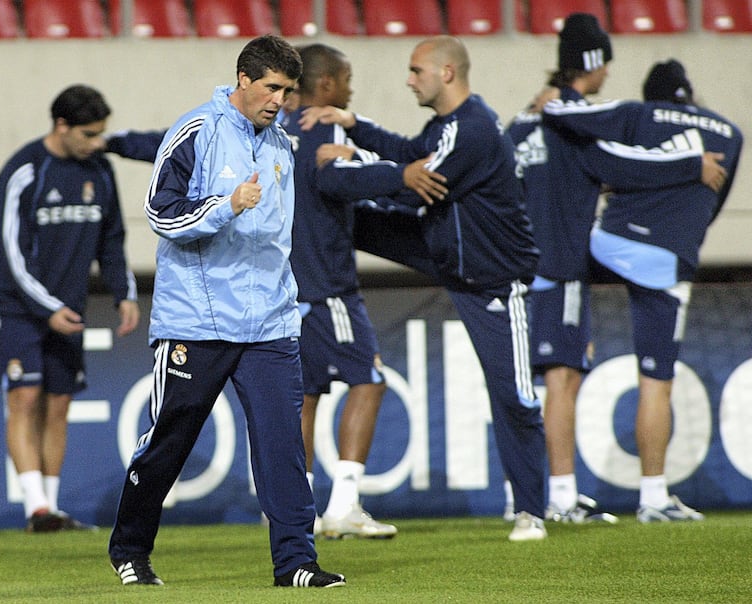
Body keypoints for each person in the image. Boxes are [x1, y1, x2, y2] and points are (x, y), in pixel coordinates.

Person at [107, 35, 346, 588]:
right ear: (243, 79)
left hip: (269, 324)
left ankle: (296, 564)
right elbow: (160, 215)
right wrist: (225, 205)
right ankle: (131, 550)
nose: (279, 101)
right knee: (169, 439)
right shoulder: (195, 131)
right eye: (271, 88)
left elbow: (280, 236)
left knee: (283, 444)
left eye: (288, 91)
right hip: (197, 319)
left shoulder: (282, 146)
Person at [300, 35, 549, 541]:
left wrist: (346, 160)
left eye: (416, 71)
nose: (409, 79)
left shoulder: (473, 129)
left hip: (495, 281)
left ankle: (532, 510)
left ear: (447, 74)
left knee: (515, 397)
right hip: (449, 261)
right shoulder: (445, 126)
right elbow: (412, 154)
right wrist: (355, 127)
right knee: (346, 211)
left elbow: (421, 175)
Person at [506, 13, 722, 524]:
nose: (608, 75)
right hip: (560, 265)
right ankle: (557, 498)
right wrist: (693, 165)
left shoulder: (521, 120)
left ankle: (535, 496)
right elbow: (622, 164)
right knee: (562, 380)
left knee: (529, 383)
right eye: (605, 63)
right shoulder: (575, 119)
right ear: (594, 62)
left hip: (521, 263)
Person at [542, 59, 742, 522]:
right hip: (665, 260)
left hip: (605, 241)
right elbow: (711, 205)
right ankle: (653, 498)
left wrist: (553, 102)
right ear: (690, 94)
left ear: (651, 94)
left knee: (561, 363)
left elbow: (576, 126)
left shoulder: (641, 115)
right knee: (656, 383)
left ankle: (557, 494)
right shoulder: (730, 133)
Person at [284, 43, 437, 539]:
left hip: (287, 290)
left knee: (305, 397)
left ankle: (297, 510)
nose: (350, 87)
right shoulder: (326, 124)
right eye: (346, 78)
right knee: (369, 383)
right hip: (329, 288)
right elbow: (336, 181)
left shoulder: (278, 131)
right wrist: (399, 175)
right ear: (326, 84)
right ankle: (344, 506)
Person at [0, 85, 141, 533]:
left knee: (58, 405)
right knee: (25, 398)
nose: (97, 143)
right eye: (89, 135)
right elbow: (11, 251)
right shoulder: (25, 170)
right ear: (62, 126)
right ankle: (37, 507)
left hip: (67, 311)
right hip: (17, 309)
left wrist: (123, 293)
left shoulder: (101, 171)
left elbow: (112, 240)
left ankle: (50, 510)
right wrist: (46, 306)